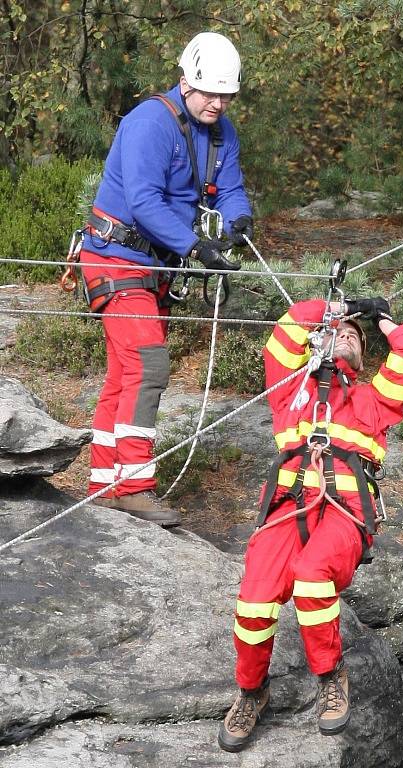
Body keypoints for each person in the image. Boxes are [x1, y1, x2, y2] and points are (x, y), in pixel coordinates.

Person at [218, 295, 403, 751]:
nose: (348, 334)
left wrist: (386, 321)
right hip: (289, 506)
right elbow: (286, 332)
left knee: (312, 578)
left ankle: (331, 676)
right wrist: (336, 306)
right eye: (339, 331)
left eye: (356, 336)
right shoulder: (290, 386)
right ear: (321, 340)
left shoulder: (376, 400)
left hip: (345, 510)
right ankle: (252, 691)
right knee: (254, 602)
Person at [79, 32, 253, 526]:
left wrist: (239, 221)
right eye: (210, 94)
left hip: (154, 266)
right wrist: (195, 246)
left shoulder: (222, 132)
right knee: (149, 365)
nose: (218, 103)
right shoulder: (150, 123)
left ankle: (104, 483)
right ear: (186, 83)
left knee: (126, 371)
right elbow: (144, 202)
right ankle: (133, 485)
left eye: (227, 95)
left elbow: (231, 189)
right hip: (116, 257)